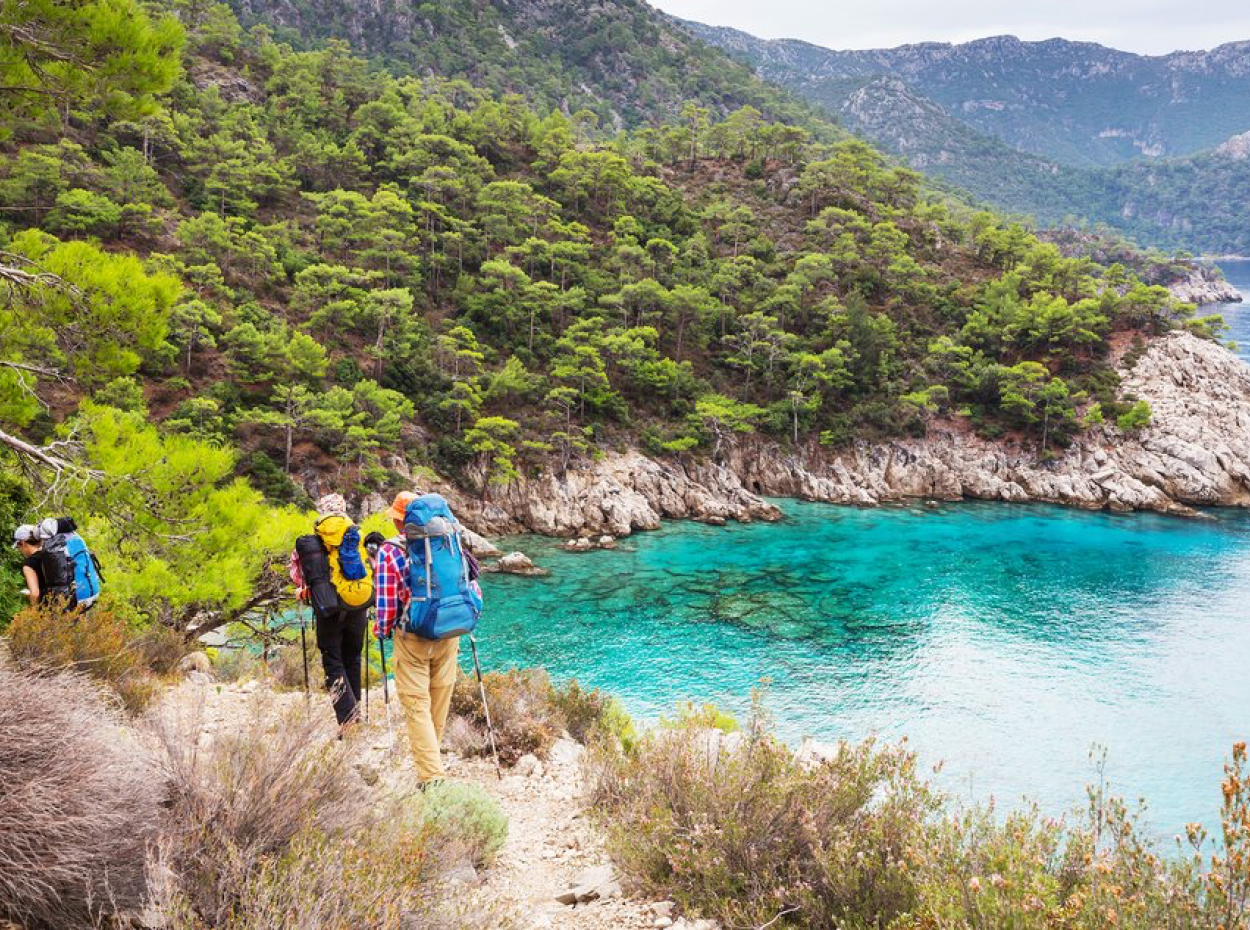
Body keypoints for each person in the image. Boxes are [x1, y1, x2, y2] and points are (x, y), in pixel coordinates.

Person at [374, 490, 465, 788]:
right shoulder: (448, 540)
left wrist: (381, 631)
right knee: (438, 701)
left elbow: (386, 605)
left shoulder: (390, 551)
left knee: (416, 706)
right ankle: (432, 763)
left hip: (412, 638)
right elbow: (469, 584)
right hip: (449, 631)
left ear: (401, 521)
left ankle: (432, 779)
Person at [290, 493, 370, 730]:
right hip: (357, 606)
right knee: (353, 658)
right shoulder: (359, 536)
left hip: (328, 610)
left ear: (322, 512)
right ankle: (356, 712)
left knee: (333, 661)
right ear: (344, 511)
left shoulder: (313, 542)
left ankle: (347, 720)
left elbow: (300, 578)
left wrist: (303, 593)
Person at [38, 517, 102, 609]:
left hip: (77, 597)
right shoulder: (77, 538)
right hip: (92, 591)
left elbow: (56, 581)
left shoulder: (56, 546)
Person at [13, 523, 75, 608]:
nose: (20, 550)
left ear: (23, 543)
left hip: (50, 608)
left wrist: (34, 612)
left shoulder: (28, 564)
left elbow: (35, 594)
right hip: (68, 601)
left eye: (18, 546)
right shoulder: (51, 554)